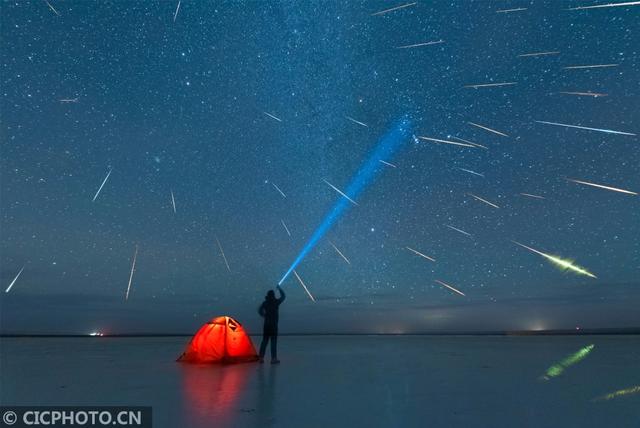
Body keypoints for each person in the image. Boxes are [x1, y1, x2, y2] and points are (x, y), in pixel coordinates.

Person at [258, 285, 286, 364]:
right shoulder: (276, 302)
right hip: (273, 325)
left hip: (266, 325)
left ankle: (261, 358)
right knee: (273, 342)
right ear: (273, 295)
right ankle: (273, 359)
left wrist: (264, 315)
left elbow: (260, 310)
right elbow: (283, 296)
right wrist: (280, 288)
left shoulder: (265, 303)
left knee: (264, 341)